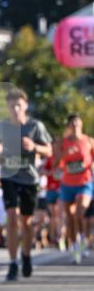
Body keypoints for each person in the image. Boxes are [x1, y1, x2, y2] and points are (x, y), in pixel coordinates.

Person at [0, 87, 52, 281]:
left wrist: (34, 146)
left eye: (18, 105)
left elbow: (49, 151)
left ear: (25, 105)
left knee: (26, 223)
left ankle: (26, 255)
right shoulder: (2, 126)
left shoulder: (35, 126)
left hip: (29, 179)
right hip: (8, 176)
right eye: (12, 106)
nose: (15, 109)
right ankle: (12, 262)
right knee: (11, 217)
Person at [57, 113, 94, 265]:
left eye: (78, 124)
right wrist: (66, 154)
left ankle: (84, 239)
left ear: (81, 125)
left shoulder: (89, 141)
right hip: (67, 183)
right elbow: (55, 161)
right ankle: (75, 248)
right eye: (73, 124)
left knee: (80, 212)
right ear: (69, 127)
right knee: (70, 219)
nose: (76, 127)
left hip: (84, 182)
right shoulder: (63, 142)